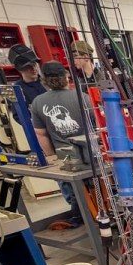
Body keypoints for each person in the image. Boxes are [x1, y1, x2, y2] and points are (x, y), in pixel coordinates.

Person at [30, 61, 94, 228]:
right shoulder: (83, 97)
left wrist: (52, 157)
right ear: (66, 77)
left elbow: (41, 134)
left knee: (73, 193)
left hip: (64, 157)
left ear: (43, 80)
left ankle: (80, 218)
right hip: (90, 154)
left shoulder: (38, 102)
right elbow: (97, 125)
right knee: (96, 189)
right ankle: (91, 216)